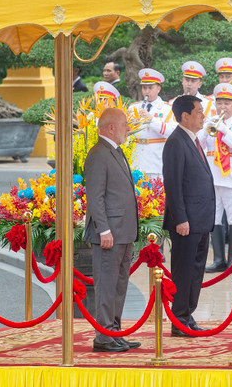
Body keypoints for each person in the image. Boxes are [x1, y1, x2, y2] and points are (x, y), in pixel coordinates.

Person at [82, 108, 140, 353]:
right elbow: (95, 197)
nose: (127, 128)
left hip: (123, 231)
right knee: (106, 285)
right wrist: (103, 229)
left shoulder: (114, 151)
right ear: (110, 128)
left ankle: (115, 332)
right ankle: (103, 336)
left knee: (119, 284)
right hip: (109, 233)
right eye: (124, 124)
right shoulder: (98, 154)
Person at [162, 95, 216, 337]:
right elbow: (173, 185)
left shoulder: (192, 140)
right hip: (186, 222)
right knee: (184, 271)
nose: (203, 116)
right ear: (185, 116)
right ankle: (179, 318)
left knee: (195, 271)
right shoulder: (176, 142)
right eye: (199, 112)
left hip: (200, 220)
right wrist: (181, 218)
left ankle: (187, 314)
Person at [200, 83, 232, 272]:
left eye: (227, 103)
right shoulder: (210, 123)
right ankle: (218, 258)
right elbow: (199, 145)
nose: (223, 107)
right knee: (214, 218)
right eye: (219, 103)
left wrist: (225, 131)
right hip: (212, 177)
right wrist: (206, 128)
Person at [128, 68, 176, 179]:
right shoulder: (133, 108)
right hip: (137, 160)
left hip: (156, 162)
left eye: (150, 88)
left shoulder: (168, 109)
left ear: (158, 88)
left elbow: (171, 133)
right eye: (144, 88)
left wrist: (151, 120)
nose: (147, 91)